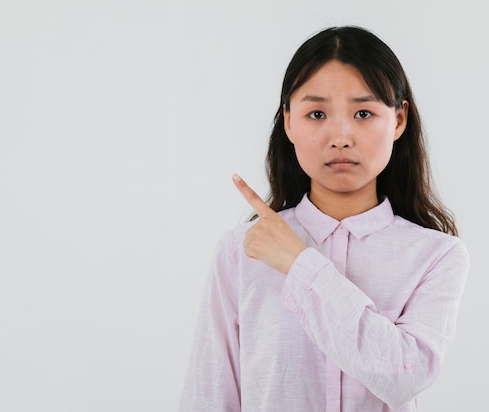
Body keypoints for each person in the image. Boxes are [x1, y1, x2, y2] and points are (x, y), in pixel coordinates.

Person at [179, 26, 469, 412]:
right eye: (317, 113)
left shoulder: (436, 255)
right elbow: (209, 396)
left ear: (398, 120)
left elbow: (403, 375)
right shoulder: (241, 251)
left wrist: (299, 264)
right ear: (288, 121)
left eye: (363, 113)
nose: (341, 136)